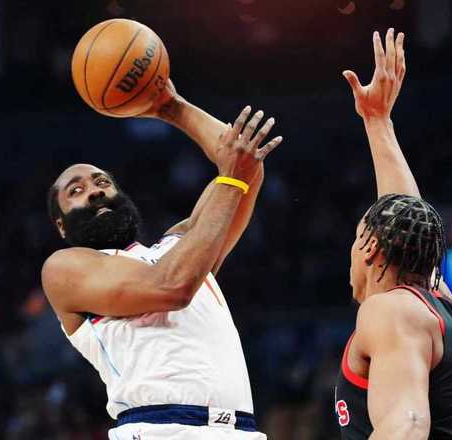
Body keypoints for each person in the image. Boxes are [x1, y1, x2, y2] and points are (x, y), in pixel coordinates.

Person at [41, 82, 282, 440]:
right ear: (61, 226)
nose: (94, 192)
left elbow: (244, 169)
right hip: (160, 429)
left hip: (240, 430)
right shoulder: (64, 269)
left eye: (101, 182)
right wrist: (231, 178)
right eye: (76, 191)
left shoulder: (184, 246)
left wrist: (174, 107)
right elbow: (172, 286)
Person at [334, 29, 452, 439]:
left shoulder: (393, 312)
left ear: (370, 247)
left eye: (356, 238)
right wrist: (377, 121)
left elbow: (409, 424)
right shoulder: (434, 300)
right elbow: (406, 216)